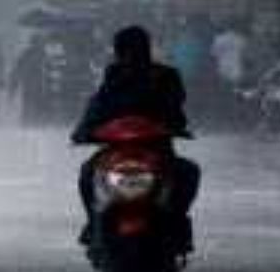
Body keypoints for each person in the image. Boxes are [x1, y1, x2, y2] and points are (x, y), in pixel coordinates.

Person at [71, 24, 199, 251]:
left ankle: (177, 220)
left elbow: (176, 107)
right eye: (126, 49)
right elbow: (98, 104)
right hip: (116, 148)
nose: (130, 54)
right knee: (87, 173)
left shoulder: (167, 76)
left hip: (156, 148)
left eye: (134, 48)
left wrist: (175, 126)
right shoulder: (114, 74)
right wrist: (84, 130)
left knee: (187, 173)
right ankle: (92, 223)